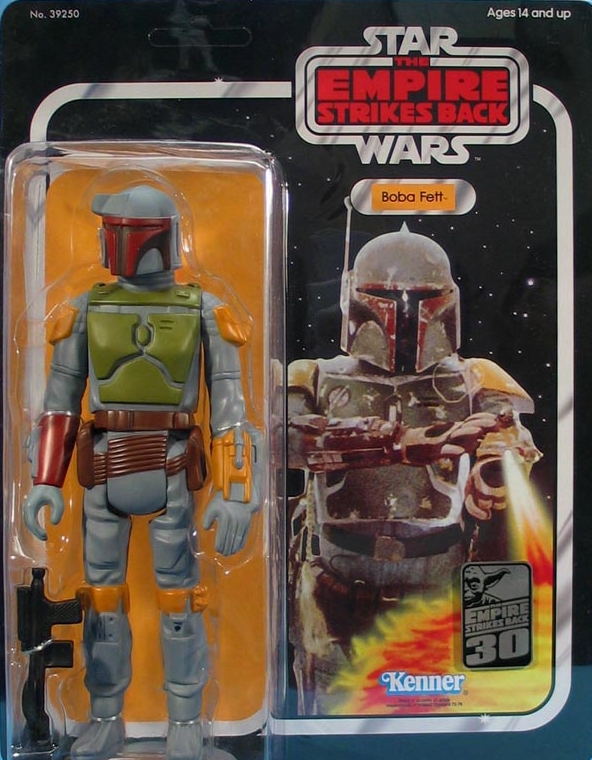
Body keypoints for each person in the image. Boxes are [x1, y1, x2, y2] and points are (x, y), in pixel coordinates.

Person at [25, 184, 261, 760]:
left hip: (171, 465)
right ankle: (106, 716)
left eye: (114, 229)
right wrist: (45, 480)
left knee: (179, 601)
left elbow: (231, 408)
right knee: (103, 599)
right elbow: (60, 403)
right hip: (104, 466)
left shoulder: (205, 310)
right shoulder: (86, 308)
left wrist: (236, 490)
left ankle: (185, 722)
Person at [287, 224, 540, 713]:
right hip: (337, 583)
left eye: (421, 299)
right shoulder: (313, 376)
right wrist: (401, 444)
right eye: (387, 298)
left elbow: (510, 439)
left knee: (432, 712)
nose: (404, 315)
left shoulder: (474, 377)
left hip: (437, 583)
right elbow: (287, 443)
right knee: (330, 712)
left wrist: (494, 472)